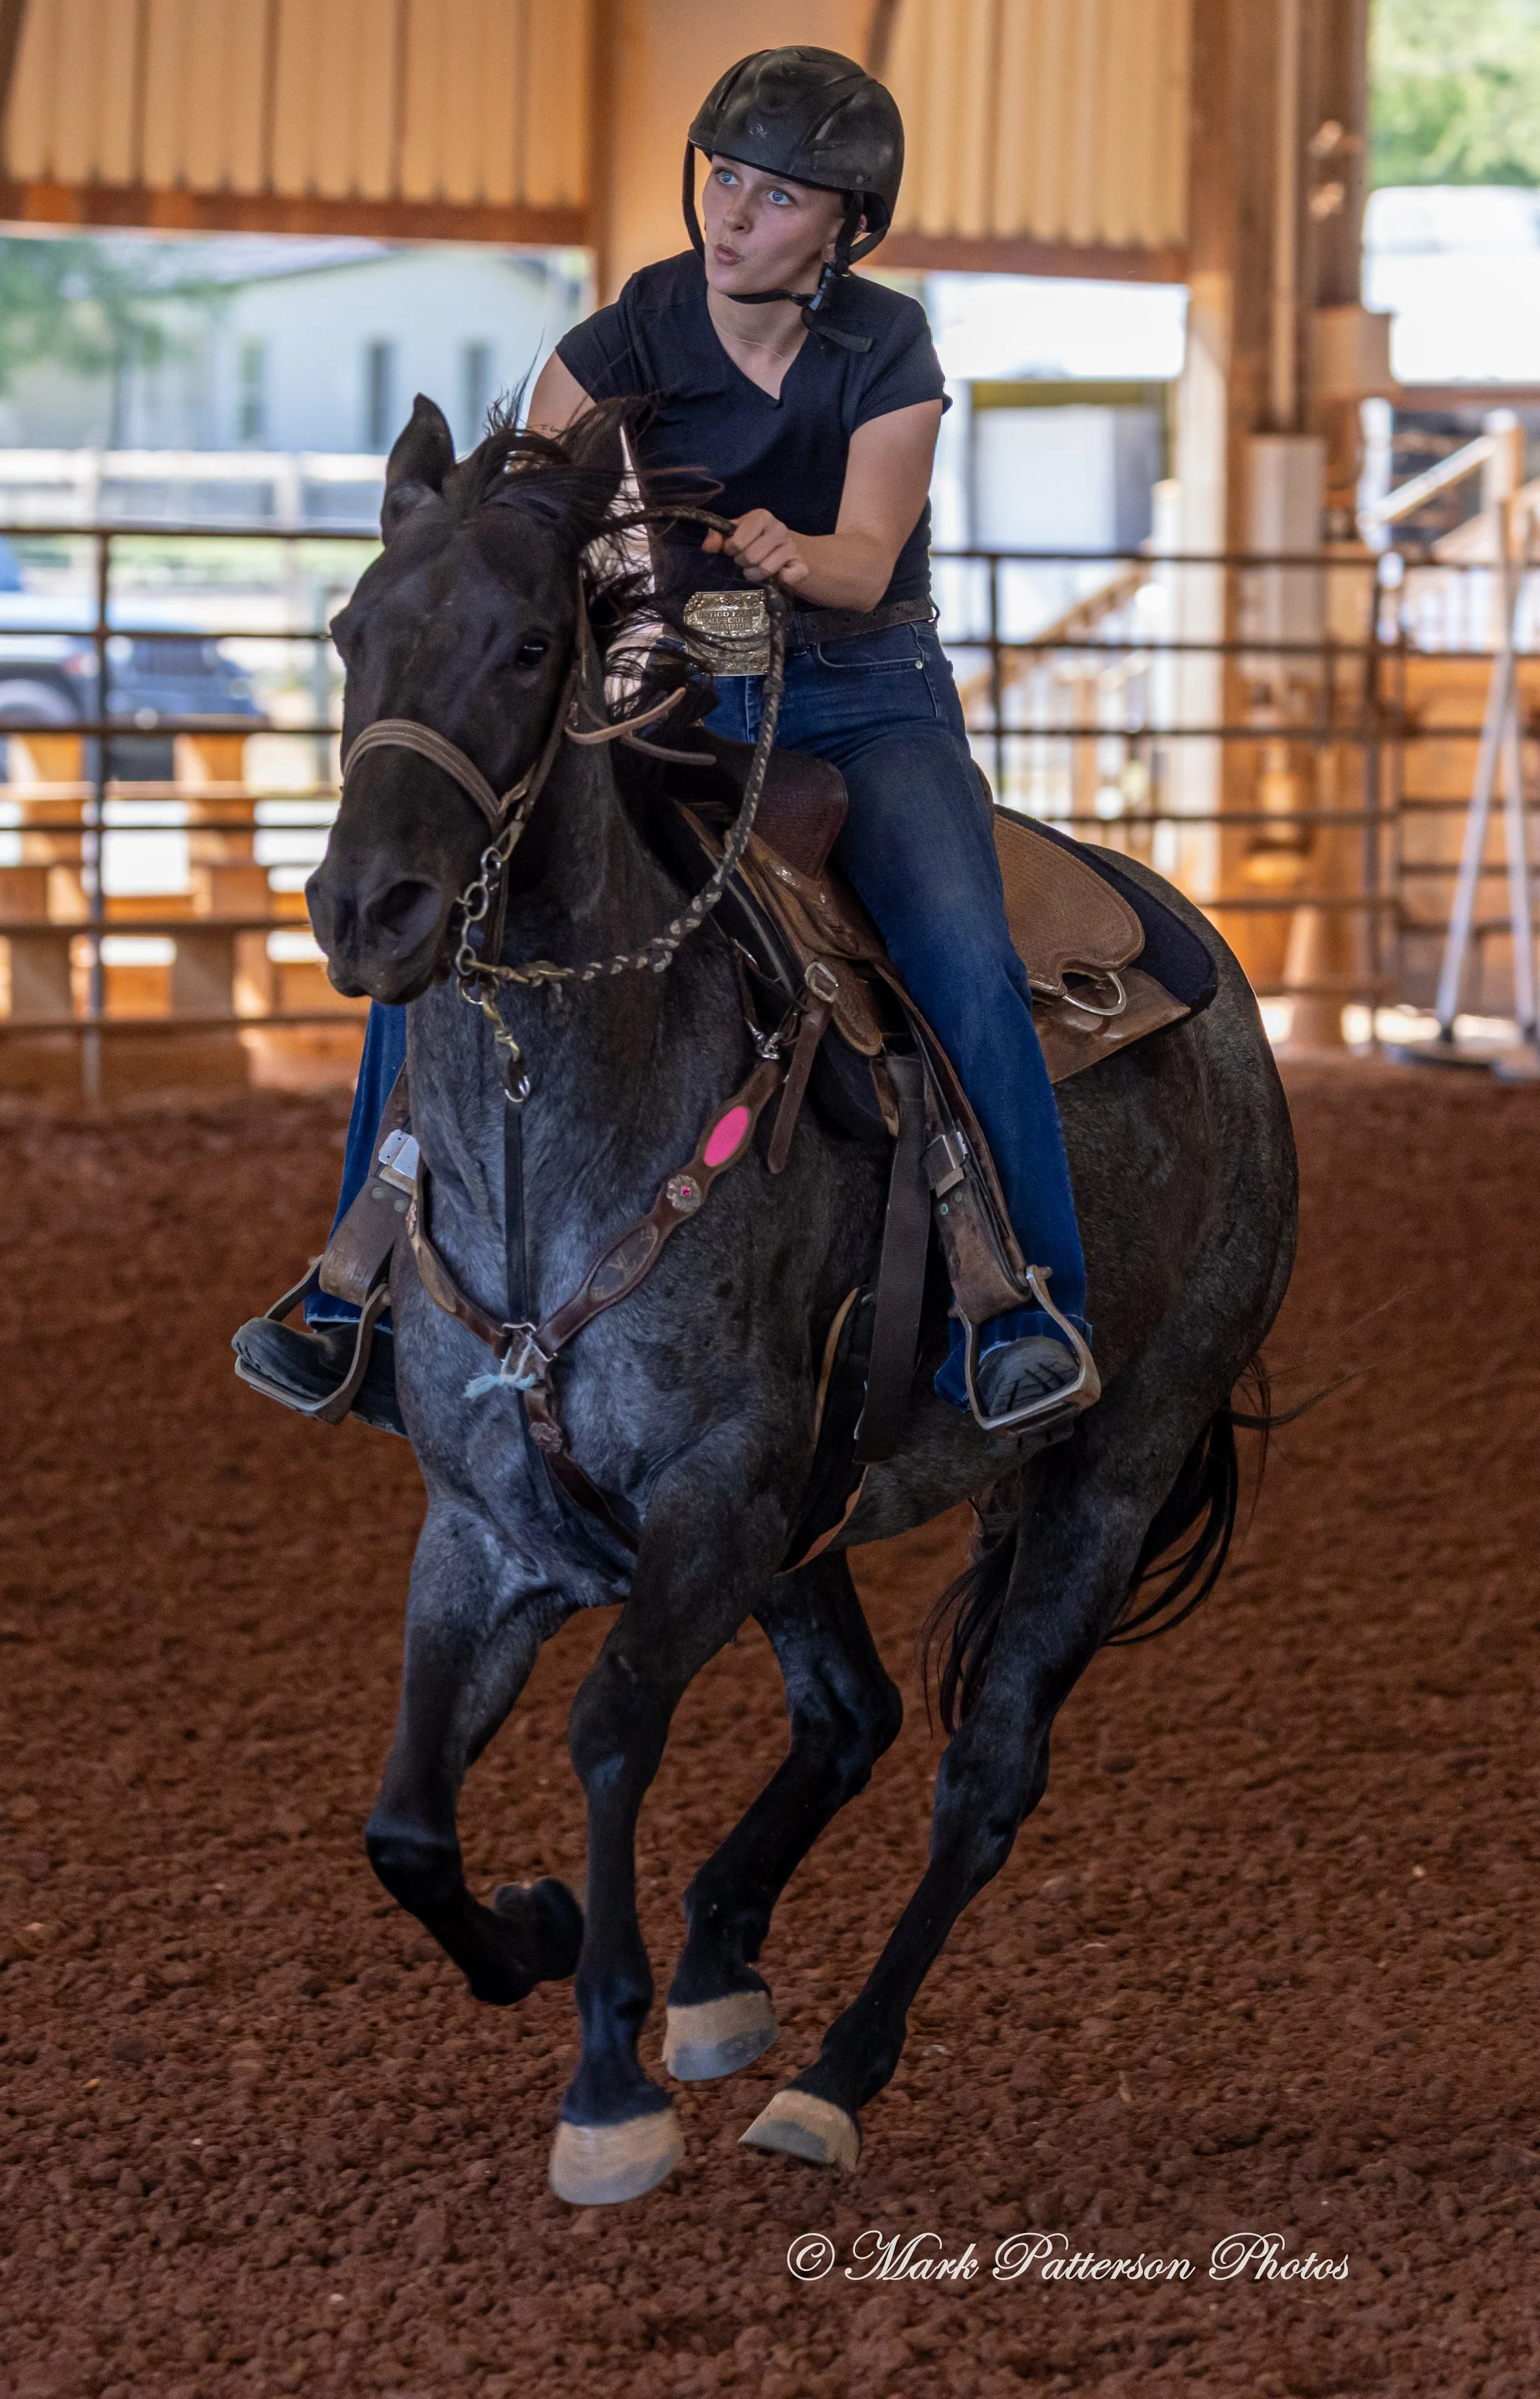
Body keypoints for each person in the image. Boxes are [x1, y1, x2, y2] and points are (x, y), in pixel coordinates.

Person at [235, 44, 1088, 1437]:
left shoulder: (888, 347)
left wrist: (785, 551)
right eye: (724, 179)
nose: (732, 212)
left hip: (860, 699)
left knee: (958, 958)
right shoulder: (617, 340)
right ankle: (354, 1292)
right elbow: (523, 514)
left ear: (844, 228)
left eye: (778, 195)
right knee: (460, 935)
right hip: (670, 697)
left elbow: (867, 563)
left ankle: (1019, 1301)